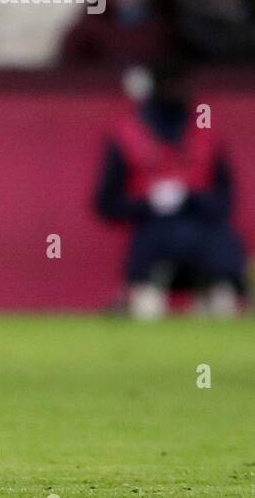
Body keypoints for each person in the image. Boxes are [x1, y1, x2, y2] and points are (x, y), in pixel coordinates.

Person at [95, 59, 247, 320]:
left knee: (223, 304)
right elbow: (106, 205)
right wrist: (148, 203)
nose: (177, 92)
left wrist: (191, 198)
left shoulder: (207, 136)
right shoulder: (128, 136)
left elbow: (225, 202)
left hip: (207, 243)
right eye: (169, 86)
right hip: (154, 243)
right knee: (147, 309)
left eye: (181, 85)